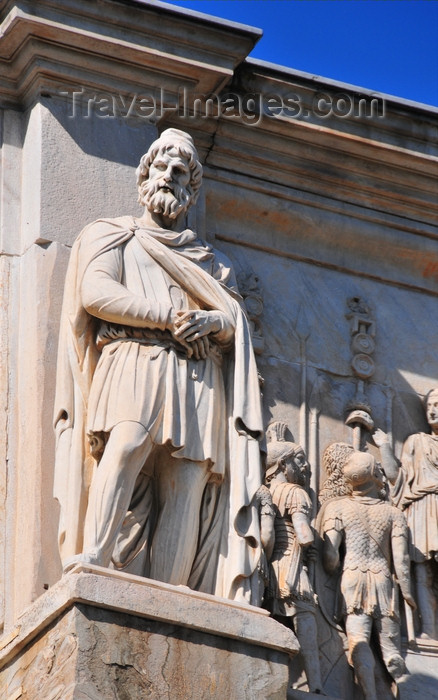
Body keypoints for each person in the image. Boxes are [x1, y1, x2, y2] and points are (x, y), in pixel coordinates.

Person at [53, 128, 264, 603]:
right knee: (126, 446)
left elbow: (233, 322)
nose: (170, 177)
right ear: (145, 174)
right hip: (132, 356)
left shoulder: (212, 262)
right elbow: (96, 293)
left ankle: (172, 593)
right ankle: (97, 557)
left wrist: (213, 321)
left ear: (191, 190)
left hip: (197, 373)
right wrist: (168, 318)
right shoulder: (112, 235)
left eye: (182, 172)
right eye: (164, 167)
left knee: (186, 481)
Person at [321, 450, 416, 700]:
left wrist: (329, 566)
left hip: (352, 578)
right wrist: (408, 594)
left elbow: (330, 558)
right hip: (383, 581)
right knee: (392, 651)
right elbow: (401, 561)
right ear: (375, 475)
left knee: (358, 640)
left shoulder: (338, 507)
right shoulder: (394, 514)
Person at [373, 388, 438, 639]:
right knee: (422, 573)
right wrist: (385, 447)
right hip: (422, 508)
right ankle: (430, 631)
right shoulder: (416, 441)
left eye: (437, 404)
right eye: (429, 405)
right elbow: (396, 479)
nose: (432, 410)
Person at [264, 422, 323, 694]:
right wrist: (315, 540)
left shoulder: (265, 493)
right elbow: (304, 534)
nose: (306, 467)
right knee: (306, 625)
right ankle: (317, 686)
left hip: (269, 567)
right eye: (300, 461)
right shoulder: (295, 492)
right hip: (292, 567)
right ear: (283, 465)